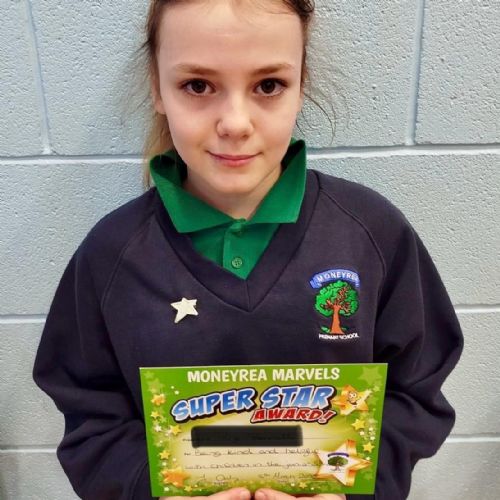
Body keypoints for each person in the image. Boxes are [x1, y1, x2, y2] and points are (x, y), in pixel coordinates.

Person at [32, 1, 464, 499]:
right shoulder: (111, 255)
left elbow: (416, 394)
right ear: (157, 87)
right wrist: (147, 489)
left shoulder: (373, 233)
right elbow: (91, 420)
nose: (235, 123)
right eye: (198, 86)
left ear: (301, 84)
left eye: (268, 85)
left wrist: (355, 488)